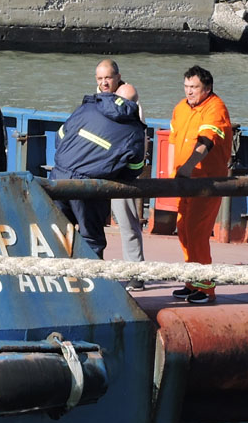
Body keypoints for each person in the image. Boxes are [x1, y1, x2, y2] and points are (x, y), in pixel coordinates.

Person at [50, 84, 146, 259]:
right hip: (89, 187)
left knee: (58, 234)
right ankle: (91, 283)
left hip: (59, 177)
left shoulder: (88, 107)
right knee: (91, 239)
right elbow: (134, 170)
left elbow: (60, 136)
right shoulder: (134, 130)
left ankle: (56, 280)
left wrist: (70, 161)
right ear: (136, 104)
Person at [168, 65, 233, 304]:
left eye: (194, 87)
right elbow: (173, 143)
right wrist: (172, 173)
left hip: (206, 182)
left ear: (207, 89)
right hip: (183, 182)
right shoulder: (180, 108)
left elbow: (207, 142)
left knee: (197, 232)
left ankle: (206, 288)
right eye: (186, 87)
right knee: (183, 230)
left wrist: (187, 168)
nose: (189, 92)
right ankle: (191, 281)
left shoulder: (215, 108)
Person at [94, 59, 147, 291]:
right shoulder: (94, 98)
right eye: (100, 79)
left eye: (108, 78)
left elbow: (137, 137)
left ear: (117, 77)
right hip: (96, 169)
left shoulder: (129, 99)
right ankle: (93, 272)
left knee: (127, 221)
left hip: (121, 171)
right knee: (90, 222)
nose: (104, 83)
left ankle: (136, 273)